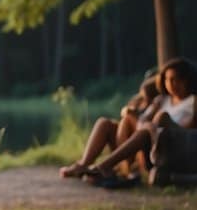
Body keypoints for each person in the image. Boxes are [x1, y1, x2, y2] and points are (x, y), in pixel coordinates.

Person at [78, 57, 197, 187]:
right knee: (115, 122)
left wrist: (160, 124)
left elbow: (189, 131)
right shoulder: (162, 100)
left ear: (188, 79)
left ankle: (108, 167)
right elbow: (144, 117)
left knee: (158, 120)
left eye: (177, 79)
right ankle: (90, 166)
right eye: (168, 80)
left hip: (172, 143)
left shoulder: (193, 101)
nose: (172, 84)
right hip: (148, 141)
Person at [60, 72, 159, 178]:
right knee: (104, 123)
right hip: (124, 139)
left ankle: (120, 167)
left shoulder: (158, 104)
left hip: (141, 147)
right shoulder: (138, 101)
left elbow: (148, 128)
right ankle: (83, 164)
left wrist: (133, 116)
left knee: (129, 120)